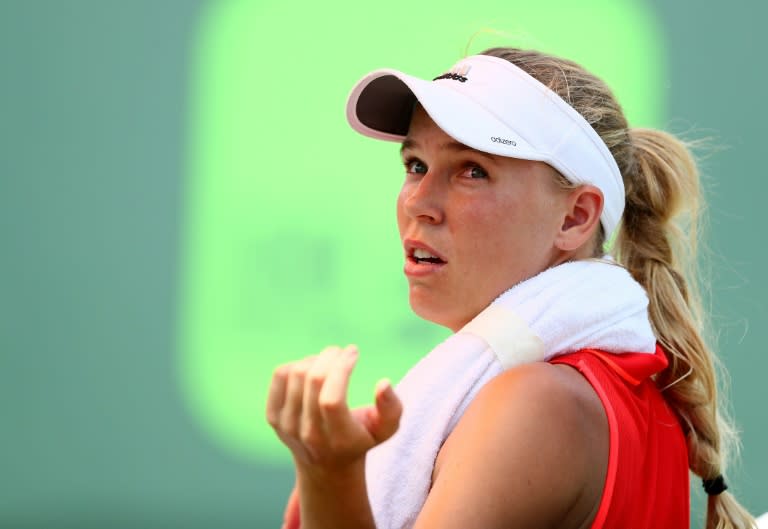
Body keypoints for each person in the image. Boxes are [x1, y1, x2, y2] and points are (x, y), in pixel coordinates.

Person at [266, 47, 756, 529]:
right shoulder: (607, 390)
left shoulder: (538, 404)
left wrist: (329, 472)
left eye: (472, 171)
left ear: (575, 217)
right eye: (415, 164)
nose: (419, 201)